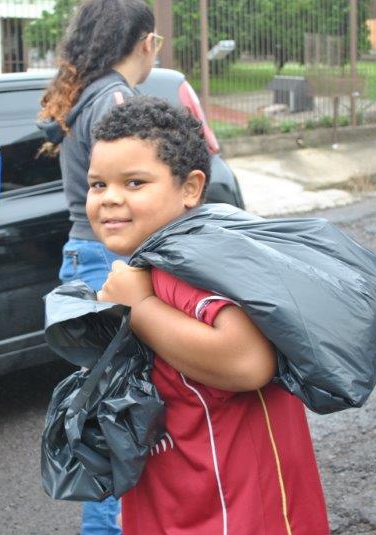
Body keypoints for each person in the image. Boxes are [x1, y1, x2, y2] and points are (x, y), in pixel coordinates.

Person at [89, 96, 330, 534]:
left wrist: (140, 307)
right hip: (178, 497)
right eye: (98, 185)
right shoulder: (147, 268)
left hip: (234, 510)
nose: (110, 199)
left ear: (190, 188)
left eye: (135, 182)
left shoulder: (195, 273)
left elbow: (248, 363)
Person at [37, 1, 160, 530]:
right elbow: (131, 195)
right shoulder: (114, 99)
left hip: (86, 255)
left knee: (106, 414)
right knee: (118, 421)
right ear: (147, 42)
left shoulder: (90, 94)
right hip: (107, 257)